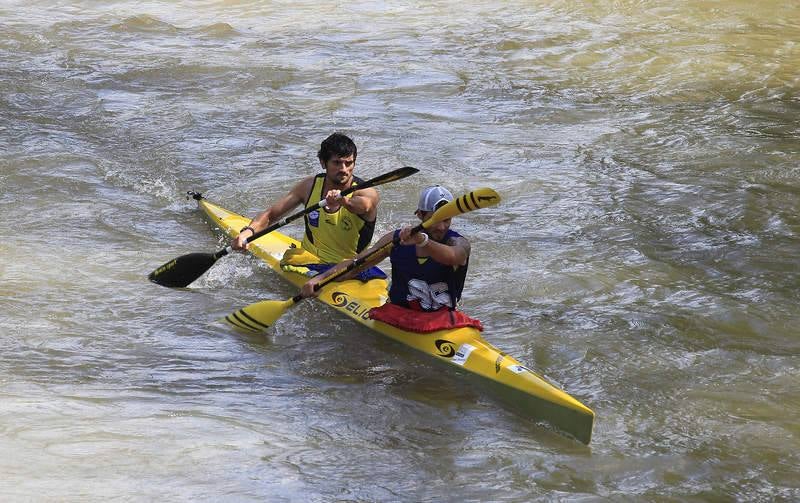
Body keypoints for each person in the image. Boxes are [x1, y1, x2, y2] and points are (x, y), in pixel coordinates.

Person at [301, 185, 482, 332]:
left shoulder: (458, 242)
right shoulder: (396, 240)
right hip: (397, 316)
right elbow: (357, 264)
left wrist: (423, 241)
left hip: (442, 321)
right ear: (420, 215)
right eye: (436, 219)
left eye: (447, 219)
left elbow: (453, 257)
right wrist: (320, 279)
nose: (442, 227)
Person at [231, 132, 381, 275]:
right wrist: (248, 232)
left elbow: (363, 205)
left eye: (349, 163)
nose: (344, 169)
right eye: (337, 163)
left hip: (347, 268)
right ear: (323, 163)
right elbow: (271, 215)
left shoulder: (366, 192)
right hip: (308, 259)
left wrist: (344, 201)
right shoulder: (309, 186)